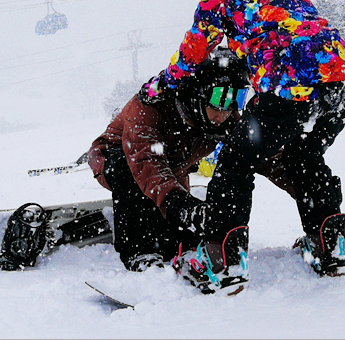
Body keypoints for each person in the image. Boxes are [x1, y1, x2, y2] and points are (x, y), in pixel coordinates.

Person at [139, 0, 345, 291]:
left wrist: (161, 85)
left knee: (235, 162)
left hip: (290, 83)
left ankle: (220, 260)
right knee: (301, 155)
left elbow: (195, 49)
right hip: (343, 80)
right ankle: (330, 246)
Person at [88, 51, 297, 277]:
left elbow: (264, 158)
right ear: (199, 92)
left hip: (173, 171)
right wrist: (180, 204)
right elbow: (145, 163)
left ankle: (170, 237)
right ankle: (141, 254)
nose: (225, 112)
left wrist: (307, 192)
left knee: (182, 235)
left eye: (236, 100)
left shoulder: (223, 118)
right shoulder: (151, 105)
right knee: (129, 172)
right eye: (220, 99)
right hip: (119, 158)